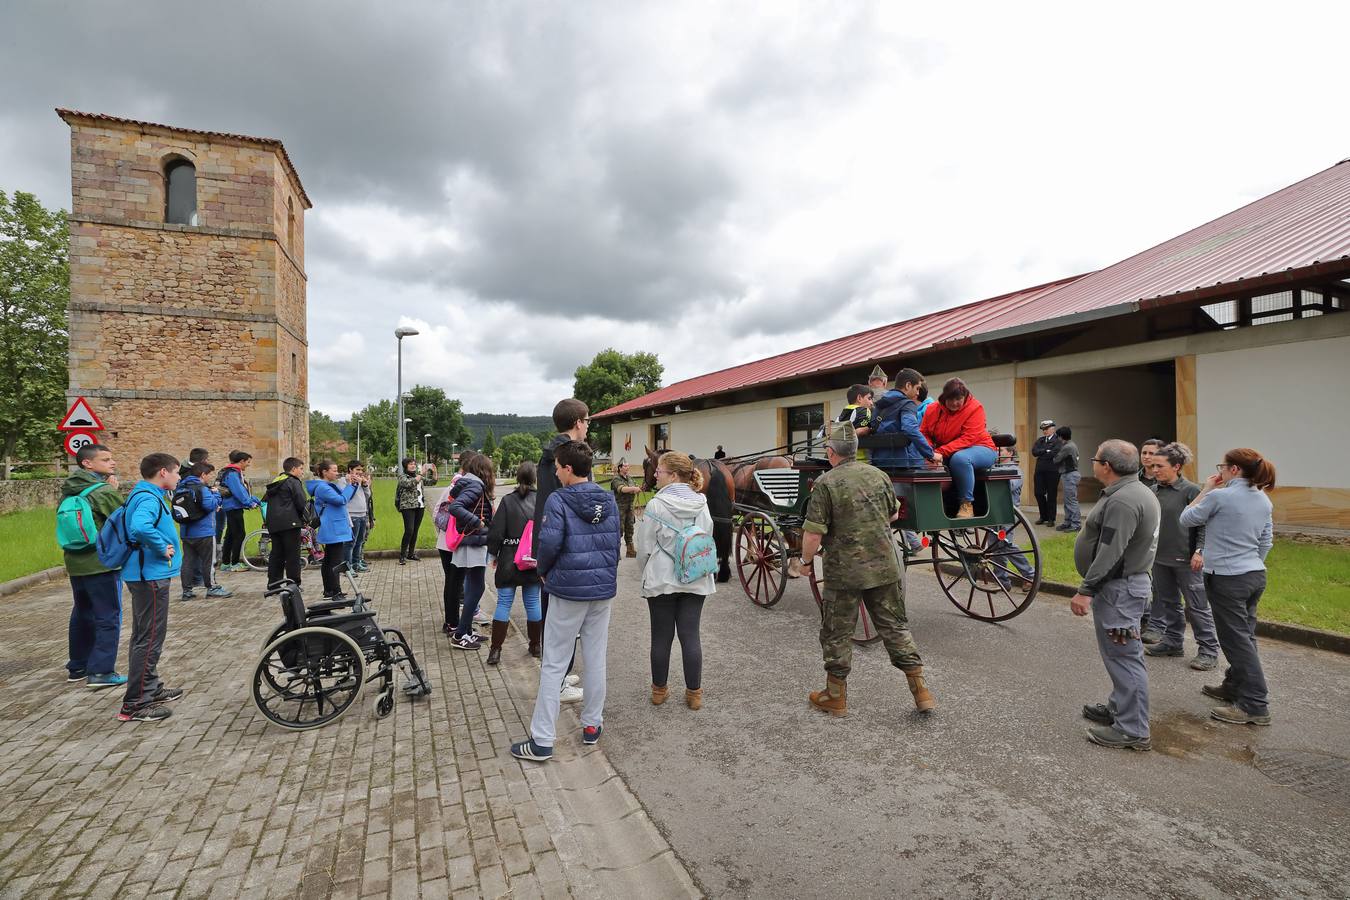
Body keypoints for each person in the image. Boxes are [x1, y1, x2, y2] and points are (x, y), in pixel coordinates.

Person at [797, 423, 934, 717]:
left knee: (836, 633)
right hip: (884, 566)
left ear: (831, 452)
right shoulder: (879, 475)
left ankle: (835, 697)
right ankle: (921, 691)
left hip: (844, 573)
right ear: (854, 451)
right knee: (895, 627)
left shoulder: (825, 483)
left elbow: (812, 535)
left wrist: (806, 563)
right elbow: (894, 512)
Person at [510, 441, 619, 762]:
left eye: (558, 467)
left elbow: (549, 543)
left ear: (569, 469)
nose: (555, 472)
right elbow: (614, 544)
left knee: (554, 663)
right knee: (596, 658)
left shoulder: (559, 500)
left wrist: (542, 571)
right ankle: (591, 725)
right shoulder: (609, 499)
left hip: (568, 590)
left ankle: (543, 739)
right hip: (601, 591)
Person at [1070, 440, 1160, 751]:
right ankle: (1120, 708)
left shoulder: (1123, 501)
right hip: (1126, 585)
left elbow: (1111, 552)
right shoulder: (1133, 491)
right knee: (1120, 656)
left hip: (1119, 589)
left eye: (1095, 458)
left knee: (1124, 658)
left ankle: (1133, 729)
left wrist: (1086, 590)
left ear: (1106, 466)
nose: (1092, 462)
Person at [1179, 448, 1276, 726]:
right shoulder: (1263, 499)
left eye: (1222, 466)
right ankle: (1235, 686)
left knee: (1236, 641)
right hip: (1254, 574)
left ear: (1234, 470)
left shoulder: (1220, 496)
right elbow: (1266, 541)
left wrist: (1207, 488)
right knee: (1245, 636)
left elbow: (1186, 518)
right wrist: (1250, 562)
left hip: (1227, 578)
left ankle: (1255, 705)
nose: (1219, 471)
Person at [636, 451, 716, 710]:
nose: (655, 475)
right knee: (690, 635)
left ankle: (659, 690)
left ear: (672, 475)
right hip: (695, 575)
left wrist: (645, 572)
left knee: (661, 636)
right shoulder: (701, 502)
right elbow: (707, 534)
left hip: (662, 577)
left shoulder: (656, 505)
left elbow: (645, 546)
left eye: (659, 471)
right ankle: (694, 694)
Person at [118, 452, 186, 723]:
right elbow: (140, 527)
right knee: (149, 638)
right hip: (150, 575)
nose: (179, 477)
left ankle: (151, 687)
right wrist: (162, 546)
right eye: (177, 472)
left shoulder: (144, 493)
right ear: (163, 472)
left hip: (146, 574)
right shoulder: (148, 497)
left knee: (146, 635)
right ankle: (135, 703)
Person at [1143, 442, 1220, 670]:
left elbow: (1205, 524)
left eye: (1159, 466)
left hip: (1187, 561)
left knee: (1197, 607)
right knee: (1168, 603)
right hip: (1159, 558)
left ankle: (1208, 651)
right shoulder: (1153, 491)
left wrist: (1200, 551)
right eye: (1153, 466)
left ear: (1177, 466)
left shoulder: (1192, 491)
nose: (1154, 470)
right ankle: (1173, 642)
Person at [535, 398, 591, 703]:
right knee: (560, 619)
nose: (588, 427)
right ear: (578, 422)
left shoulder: (552, 453)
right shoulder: (568, 457)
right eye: (588, 421)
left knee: (556, 617)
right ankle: (555, 682)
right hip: (562, 544)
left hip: (551, 541)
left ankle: (557, 672)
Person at [59, 443, 126, 689]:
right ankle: (102, 671)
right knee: (108, 616)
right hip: (101, 563)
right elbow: (123, 520)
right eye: (106, 459)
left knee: (82, 613)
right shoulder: (102, 491)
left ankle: (78, 666)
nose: (112, 463)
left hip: (75, 562)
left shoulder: (69, 490)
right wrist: (114, 491)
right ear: (87, 463)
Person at [485, 461, 542, 665]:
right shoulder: (541, 501)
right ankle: (535, 646)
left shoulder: (508, 501)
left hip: (509, 558)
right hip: (532, 559)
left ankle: (495, 651)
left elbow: (496, 531)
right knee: (533, 602)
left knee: (503, 603)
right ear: (535, 478)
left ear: (517, 477)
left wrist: (492, 555)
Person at [921, 378, 997, 519]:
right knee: (920, 464)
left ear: (965, 396)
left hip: (981, 448)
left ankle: (966, 504)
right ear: (944, 397)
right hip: (948, 451)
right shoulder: (932, 409)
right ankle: (937, 506)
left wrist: (939, 452)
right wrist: (929, 452)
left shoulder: (975, 408)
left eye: (959, 399)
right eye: (951, 399)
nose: (955, 403)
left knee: (960, 459)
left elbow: (969, 438)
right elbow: (924, 432)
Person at [446, 453, 496, 650]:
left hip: (471, 541)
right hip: (472, 542)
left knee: (475, 588)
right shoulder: (475, 485)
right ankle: (460, 635)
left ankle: (466, 631)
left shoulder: (469, 483)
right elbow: (455, 507)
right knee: (476, 588)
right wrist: (478, 522)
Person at [434, 451, 476, 635]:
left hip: (446, 542)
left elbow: (437, 512)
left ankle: (452, 622)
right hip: (453, 543)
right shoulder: (461, 487)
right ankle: (452, 623)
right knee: (454, 584)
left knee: (453, 583)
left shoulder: (454, 485)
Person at [175, 462, 230, 600]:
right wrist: (217, 495)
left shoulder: (181, 487)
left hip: (186, 532)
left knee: (187, 561)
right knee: (208, 561)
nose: (209, 478)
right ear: (202, 474)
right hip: (204, 532)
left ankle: (186, 591)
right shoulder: (202, 488)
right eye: (209, 475)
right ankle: (212, 588)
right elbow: (210, 505)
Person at [307, 460, 359, 599]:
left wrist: (353, 485)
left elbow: (345, 497)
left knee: (329, 560)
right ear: (324, 472)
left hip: (334, 525)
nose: (337, 473)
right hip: (333, 527)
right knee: (335, 561)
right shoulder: (323, 487)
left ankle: (329, 590)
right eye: (334, 470)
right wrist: (350, 485)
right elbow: (341, 500)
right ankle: (335, 591)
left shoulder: (327, 486)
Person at [872, 368, 934, 469]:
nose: (918, 393)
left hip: (879, 462)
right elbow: (910, 428)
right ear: (908, 385)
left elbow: (872, 427)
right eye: (917, 388)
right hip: (903, 463)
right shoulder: (908, 404)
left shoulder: (880, 404)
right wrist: (930, 454)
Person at [263, 457, 310, 589]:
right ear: (293, 469)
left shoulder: (276, 481)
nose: (302, 472)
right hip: (290, 522)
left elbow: (265, 500)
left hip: (274, 523)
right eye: (301, 469)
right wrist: (305, 519)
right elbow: (301, 502)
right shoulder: (293, 481)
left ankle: (273, 583)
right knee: (292, 555)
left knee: (276, 554)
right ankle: (293, 584)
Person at [218, 450, 260, 572]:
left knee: (230, 535)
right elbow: (239, 491)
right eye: (248, 462)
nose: (248, 464)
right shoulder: (232, 474)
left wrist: (255, 500)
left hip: (232, 506)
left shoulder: (232, 472)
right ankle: (235, 563)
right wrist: (249, 503)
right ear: (241, 461)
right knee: (239, 534)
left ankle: (225, 563)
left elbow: (242, 491)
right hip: (233, 507)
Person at [395, 457, 437, 564]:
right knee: (409, 530)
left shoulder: (418, 476)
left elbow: (431, 482)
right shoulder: (403, 476)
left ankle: (411, 554)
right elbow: (408, 484)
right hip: (407, 506)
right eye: (410, 464)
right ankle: (402, 555)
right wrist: (421, 474)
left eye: (414, 464)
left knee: (415, 531)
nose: (413, 465)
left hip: (420, 506)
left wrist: (434, 473)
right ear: (405, 466)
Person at [341, 460, 375, 573]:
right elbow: (346, 497)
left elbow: (367, 496)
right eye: (357, 470)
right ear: (350, 470)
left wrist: (365, 485)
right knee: (351, 542)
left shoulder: (360, 481)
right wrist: (353, 484)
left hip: (362, 514)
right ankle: (348, 566)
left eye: (361, 470)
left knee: (360, 541)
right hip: (352, 514)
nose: (360, 472)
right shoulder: (344, 481)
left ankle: (356, 563)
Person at [1031, 420, 1063, 526]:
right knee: (1038, 493)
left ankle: (1051, 518)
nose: (1045, 431)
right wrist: (1045, 450)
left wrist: (1044, 452)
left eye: (1047, 429)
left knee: (1051, 495)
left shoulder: (1058, 441)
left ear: (1053, 429)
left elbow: (1054, 453)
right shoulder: (1040, 440)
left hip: (1052, 471)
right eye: (1043, 429)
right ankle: (1043, 516)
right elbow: (1034, 452)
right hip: (1040, 470)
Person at [836, 384, 877, 461]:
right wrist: (871, 428)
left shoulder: (843, 413)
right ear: (859, 398)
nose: (872, 403)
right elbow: (861, 431)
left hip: (843, 458)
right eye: (869, 398)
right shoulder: (864, 411)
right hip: (861, 457)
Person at [610, 458, 641, 558]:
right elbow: (621, 489)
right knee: (619, 529)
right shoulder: (616, 479)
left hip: (630, 507)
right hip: (619, 507)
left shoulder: (630, 478)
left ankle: (630, 550)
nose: (628, 468)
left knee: (630, 527)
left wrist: (637, 489)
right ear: (620, 468)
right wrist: (633, 489)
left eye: (628, 466)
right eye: (625, 466)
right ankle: (616, 553)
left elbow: (636, 487)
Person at [1054, 426, 1082, 532]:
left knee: (1071, 501)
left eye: (1058, 437)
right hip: (1070, 474)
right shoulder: (1072, 445)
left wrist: (1053, 453)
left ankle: (1076, 524)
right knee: (1068, 500)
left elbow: (1056, 459)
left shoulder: (1067, 447)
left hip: (1070, 475)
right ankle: (1068, 521)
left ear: (1061, 437)